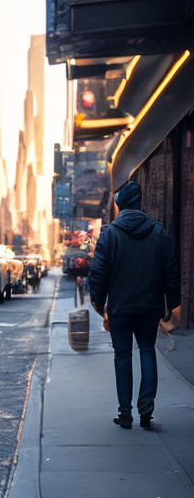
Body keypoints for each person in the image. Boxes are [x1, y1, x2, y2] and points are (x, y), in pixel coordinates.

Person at [89, 181, 181, 430]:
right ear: (139, 204)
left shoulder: (109, 233)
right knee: (148, 352)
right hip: (149, 307)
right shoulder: (159, 232)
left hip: (120, 308)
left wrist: (99, 303)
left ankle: (126, 413)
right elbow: (171, 271)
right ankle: (146, 413)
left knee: (122, 356)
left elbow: (97, 274)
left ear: (119, 206)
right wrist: (172, 304)